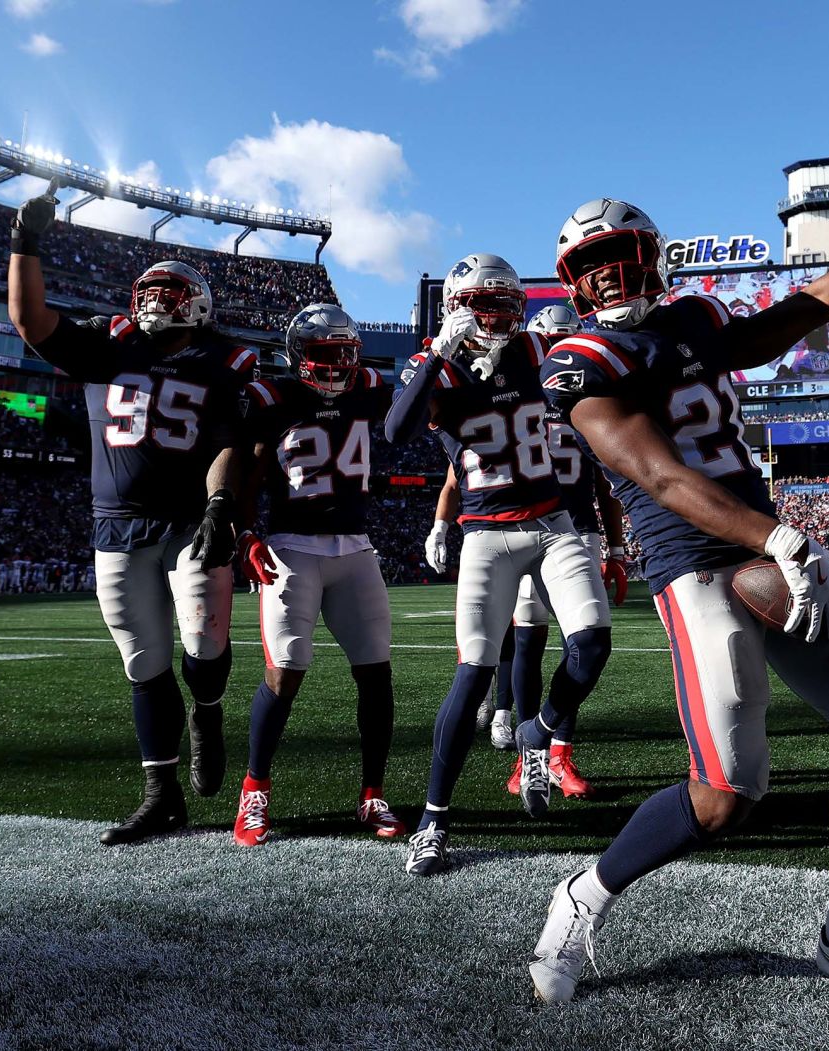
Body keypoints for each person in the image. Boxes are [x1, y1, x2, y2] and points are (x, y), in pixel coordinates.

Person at [528, 162, 829, 1009]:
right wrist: (780, 535)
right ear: (573, 285)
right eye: (591, 265)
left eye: (621, 255)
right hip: (696, 563)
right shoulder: (577, 362)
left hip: (773, 555)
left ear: (652, 258)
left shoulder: (695, 316)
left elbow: (795, 315)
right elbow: (658, 476)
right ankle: (582, 896)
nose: (609, 276)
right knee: (728, 795)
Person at [7, 180, 248, 845]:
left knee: (203, 647)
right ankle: (160, 793)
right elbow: (29, 322)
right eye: (149, 293)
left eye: (172, 293)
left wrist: (222, 500)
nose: (156, 302)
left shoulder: (222, 359)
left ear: (197, 305)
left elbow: (231, 439)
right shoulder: (107, 342)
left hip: (190, 521)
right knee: (142, 660)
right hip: (114, 521)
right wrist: (24, 241)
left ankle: (207, 709)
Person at [384, 253, 613, 875]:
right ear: (454, 306)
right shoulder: (435, 368)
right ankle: (433, 818)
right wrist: (436, 355)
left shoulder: (534, 353)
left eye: (503, 303)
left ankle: (538, 733)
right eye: (478, 303)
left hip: (552, 522)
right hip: (485, 535)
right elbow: (395, 432)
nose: (493, 316)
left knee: (591, 644)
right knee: (474, 671)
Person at [425, 301, 629, 795]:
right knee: (529, 639)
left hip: (571, 527)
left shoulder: (580, 405)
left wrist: (615, 546)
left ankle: (556, 750)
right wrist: (439, 525)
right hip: (511, 527)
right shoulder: (508, 390)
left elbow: (606, 483)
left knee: (581, 644)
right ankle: (523, 748)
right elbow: (454, 468)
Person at [231, 303, 403, 846]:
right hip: (292, 549)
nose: (337, 367)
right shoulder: (273, 398)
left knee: (376, 676)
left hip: (355, 549)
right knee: (285, 673)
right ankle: (254, 788)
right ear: (299, 355)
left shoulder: (370, 388)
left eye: (345, 355)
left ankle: (372, 794)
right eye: (325, 356)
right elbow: (247, 472)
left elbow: (410, 405)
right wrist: (245, 534)